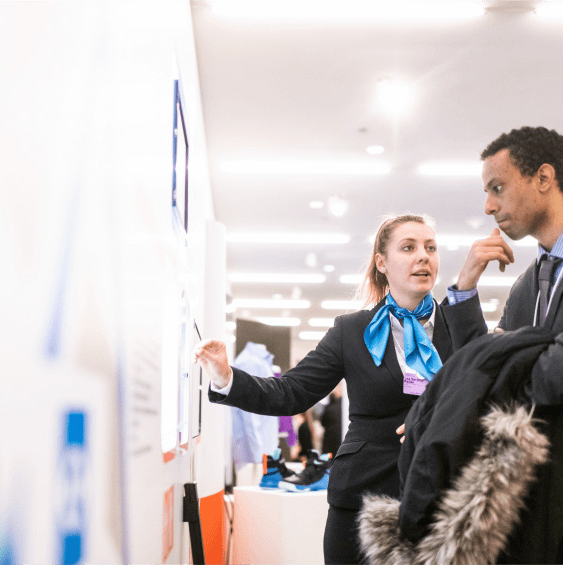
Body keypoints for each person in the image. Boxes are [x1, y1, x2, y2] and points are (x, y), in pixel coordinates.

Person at [193, 214, 488, 564]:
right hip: (362, 496)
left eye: (431, 248)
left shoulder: (460, 325)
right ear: (382, 263)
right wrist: (226, 375)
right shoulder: (352, 331)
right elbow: (292, 392)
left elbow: (484, 395)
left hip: (442, 498)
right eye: (408, 248)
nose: (423, 256)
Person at [443, 126, 563, 563]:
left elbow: (555, 376)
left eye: (498, 188)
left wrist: (506, 374)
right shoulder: (529, 284)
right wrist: (464, 289)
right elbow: (482, 369)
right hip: (536, 501)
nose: (488, 206)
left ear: (543, 178)